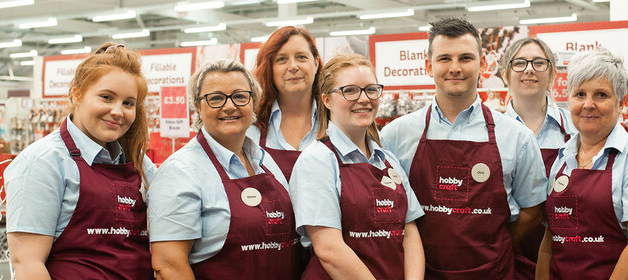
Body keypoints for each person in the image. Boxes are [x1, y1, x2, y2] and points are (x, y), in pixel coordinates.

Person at [380, 17, 548, 279]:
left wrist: (494, 244)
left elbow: (533, 209)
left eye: (466, 58)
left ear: (482, 64)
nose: (455, 68)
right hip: (421, 272)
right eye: (444, 58)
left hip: (493, 272)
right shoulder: (395, 135)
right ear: (428, 66)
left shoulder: (517, 137)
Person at [5, 42, 155, 279]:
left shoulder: (141, 165)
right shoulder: (42, 163)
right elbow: (27, 264)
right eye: (106, 97)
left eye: (128, 103)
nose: (118, 111)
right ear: (77, 94)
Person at [148, 59, 301, 279]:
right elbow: (168, 266)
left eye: (240, 96)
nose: (229, 106)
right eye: (216, 98)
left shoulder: (266, 161)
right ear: (199, 107)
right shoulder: (179, 171)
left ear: (253, 102)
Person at [290, 54, 426, 279]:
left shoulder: (388, 160)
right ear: (326, 100)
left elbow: (410, 234)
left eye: (371, 90)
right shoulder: (317, 161)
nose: (363, 99)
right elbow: (329, 249)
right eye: (350, 91)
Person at [537, 48, 628, 280]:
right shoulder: (562, 159)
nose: (588, 104)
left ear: (622, 102)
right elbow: (549, 242)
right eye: (580, 94)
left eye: (601, 95)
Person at [498, 37, 577, 274]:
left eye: (539, 63)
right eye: (519, 63)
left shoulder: (576, 129)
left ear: (552, 74)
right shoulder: (491, 132)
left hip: (568, 251)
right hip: (508, 253)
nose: (529, 69)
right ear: (505, 75)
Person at [247, 26, 324, 181]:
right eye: (281, 59)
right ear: (270, 68)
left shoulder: (335, 120)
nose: (293, 66)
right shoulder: (249, 127)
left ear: (315, 64)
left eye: (301, 57)